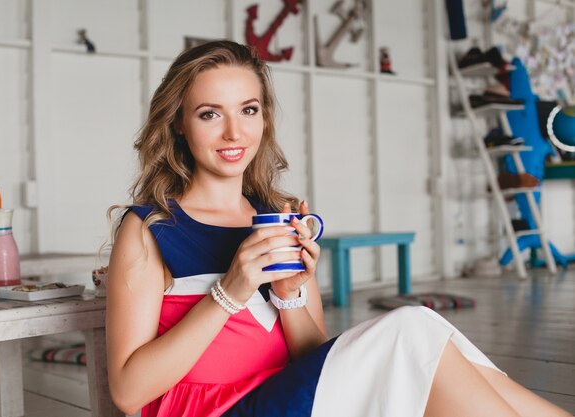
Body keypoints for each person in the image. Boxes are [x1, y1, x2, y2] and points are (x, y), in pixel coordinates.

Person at [105, 40, 570, 417]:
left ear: (264, 118)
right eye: (210, 114)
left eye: (248, 110)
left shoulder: (281, 215)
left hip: (293, 398)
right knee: (411, 330)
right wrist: (231, 291)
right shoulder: (150, 227)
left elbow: (314, 357)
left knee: (422, 330)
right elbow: (128, 394)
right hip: (215, 410)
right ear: (179, 125)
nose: (234, 133)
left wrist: (290, 292)